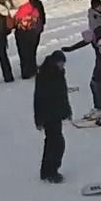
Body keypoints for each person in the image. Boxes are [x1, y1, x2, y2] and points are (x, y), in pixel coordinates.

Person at [34, 51, 72, 182]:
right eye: (61, 63)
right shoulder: (45, 75)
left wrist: (67, 111)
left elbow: (63, 95)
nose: (62, 66)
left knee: (53, 142)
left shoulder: (58, 73)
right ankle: (51, 171)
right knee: (56, 143)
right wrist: (38, 119)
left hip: (56, 114)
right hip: (48, 114)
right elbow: (38, 98)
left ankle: (47, 171)